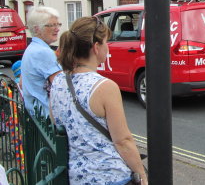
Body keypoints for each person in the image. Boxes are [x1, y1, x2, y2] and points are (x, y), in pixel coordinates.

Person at [50, 16, 147, 185]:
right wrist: (141, 174)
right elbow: (122, 140)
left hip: (77, 177)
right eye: (105, 42)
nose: (107, 47)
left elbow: (57, 124)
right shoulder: (104, 87)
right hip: (110, 176)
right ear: (96, 47)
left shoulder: (58, 81)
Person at [21, 6, 62, 117]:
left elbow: (21, 83)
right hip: (46, 118)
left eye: (58, 24)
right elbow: (62, 87)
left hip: (36, 115)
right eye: (52, 25)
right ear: (37, 29)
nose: (57, 28)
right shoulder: (43, 52)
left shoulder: (32, 48)